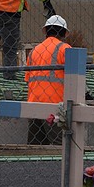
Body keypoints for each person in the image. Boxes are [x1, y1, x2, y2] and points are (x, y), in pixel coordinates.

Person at [25, 15, 71, 145]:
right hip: (55, 107)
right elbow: (73, 79)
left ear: (46, 31)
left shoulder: (35, 50)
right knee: (59, 148)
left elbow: (28, 79)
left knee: (35, 147)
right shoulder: (65, 49)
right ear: (63, 33)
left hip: (33, 105)